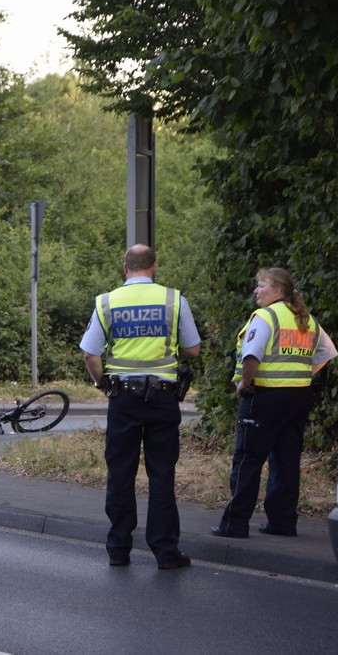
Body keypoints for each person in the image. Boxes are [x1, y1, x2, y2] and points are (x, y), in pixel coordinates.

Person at [81, 244, 201, 570]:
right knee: (161, 474)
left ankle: (118, 549)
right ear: (154, 267)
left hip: (122, 399)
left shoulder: (106, 302)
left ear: (125, 267)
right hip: (163, 399)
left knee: (120, 473)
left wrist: (101, 383)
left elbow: (91, 354)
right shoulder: (174, 300)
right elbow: (192, 348)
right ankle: (165, 552)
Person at [211, 267, 337, 538]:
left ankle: (234, 524)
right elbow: (327, 352)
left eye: (261, 285)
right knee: (286, 460)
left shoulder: (265, 316)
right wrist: (301, 373)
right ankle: (282, 523)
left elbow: (251, 357)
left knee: (248, 458)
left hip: (265, 396)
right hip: (298, 396)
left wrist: (245, 383)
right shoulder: (307, 319)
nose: (257, 290)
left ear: (277, 291)